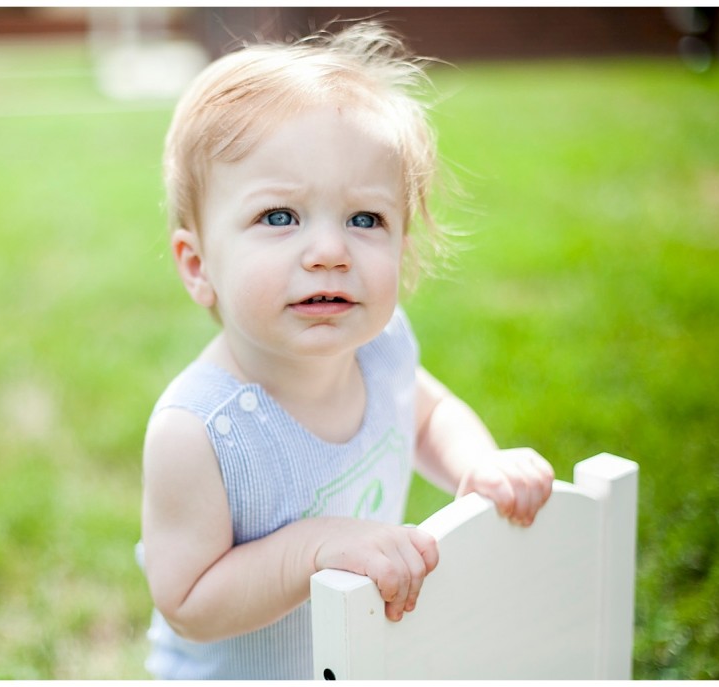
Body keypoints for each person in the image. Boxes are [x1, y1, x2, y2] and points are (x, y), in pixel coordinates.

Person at [139, 21, 556, 680]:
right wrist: (316, 547)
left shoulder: (381, 349)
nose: (330, 251)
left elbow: (426, 415)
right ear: (198, 265)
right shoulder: (200, 431)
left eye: (366, 219)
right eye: (279, 216)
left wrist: (478, 464)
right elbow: (189, 600)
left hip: (357, 659)